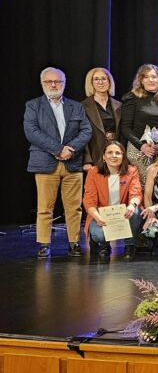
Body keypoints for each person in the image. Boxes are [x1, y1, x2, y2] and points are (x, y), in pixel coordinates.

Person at [24, 67, 92, 258]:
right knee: (45, 208)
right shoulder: (33, 106)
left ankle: (74, 243)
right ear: (42, 83)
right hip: (45, 163)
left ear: (64, 83)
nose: (53, 85)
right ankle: (44, 244)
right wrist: (58, 149)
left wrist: (69, 148)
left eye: (58, 81)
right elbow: (32, 132)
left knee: (74, 208)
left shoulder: (76, 106)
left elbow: (86, 131)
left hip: (73, 162)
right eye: (49, 81)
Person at [82, 141, 143, 259]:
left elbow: (136, 192)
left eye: (117, 153)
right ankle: (103, 245)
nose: (114, 156)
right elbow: (89, 199)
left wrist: (132, 204)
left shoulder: (131, 171)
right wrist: (97, 217)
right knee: (99, 235)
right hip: (101, 215)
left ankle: (130, 246)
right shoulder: (93, 172)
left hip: (123, 214)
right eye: (110, 152)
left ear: (123, 156)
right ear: (104, 157)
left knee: (135, 211)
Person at [120, 64, 158, 186]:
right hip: (139, 149)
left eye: (154, 77)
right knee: (142, 185)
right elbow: (125, 127)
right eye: (146, 77)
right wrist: (142, 146)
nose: (151, 80)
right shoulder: (132, 98)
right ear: (141, 80)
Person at [81, 67, 121, 171]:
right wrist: (87, 160)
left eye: (104, 79)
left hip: (116, 155)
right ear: (91, 83)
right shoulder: (83, 106)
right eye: (96, 79)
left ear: (109, 82)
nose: (100, 82)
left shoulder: (119, 105)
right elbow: (81, 135)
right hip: (96, 155)